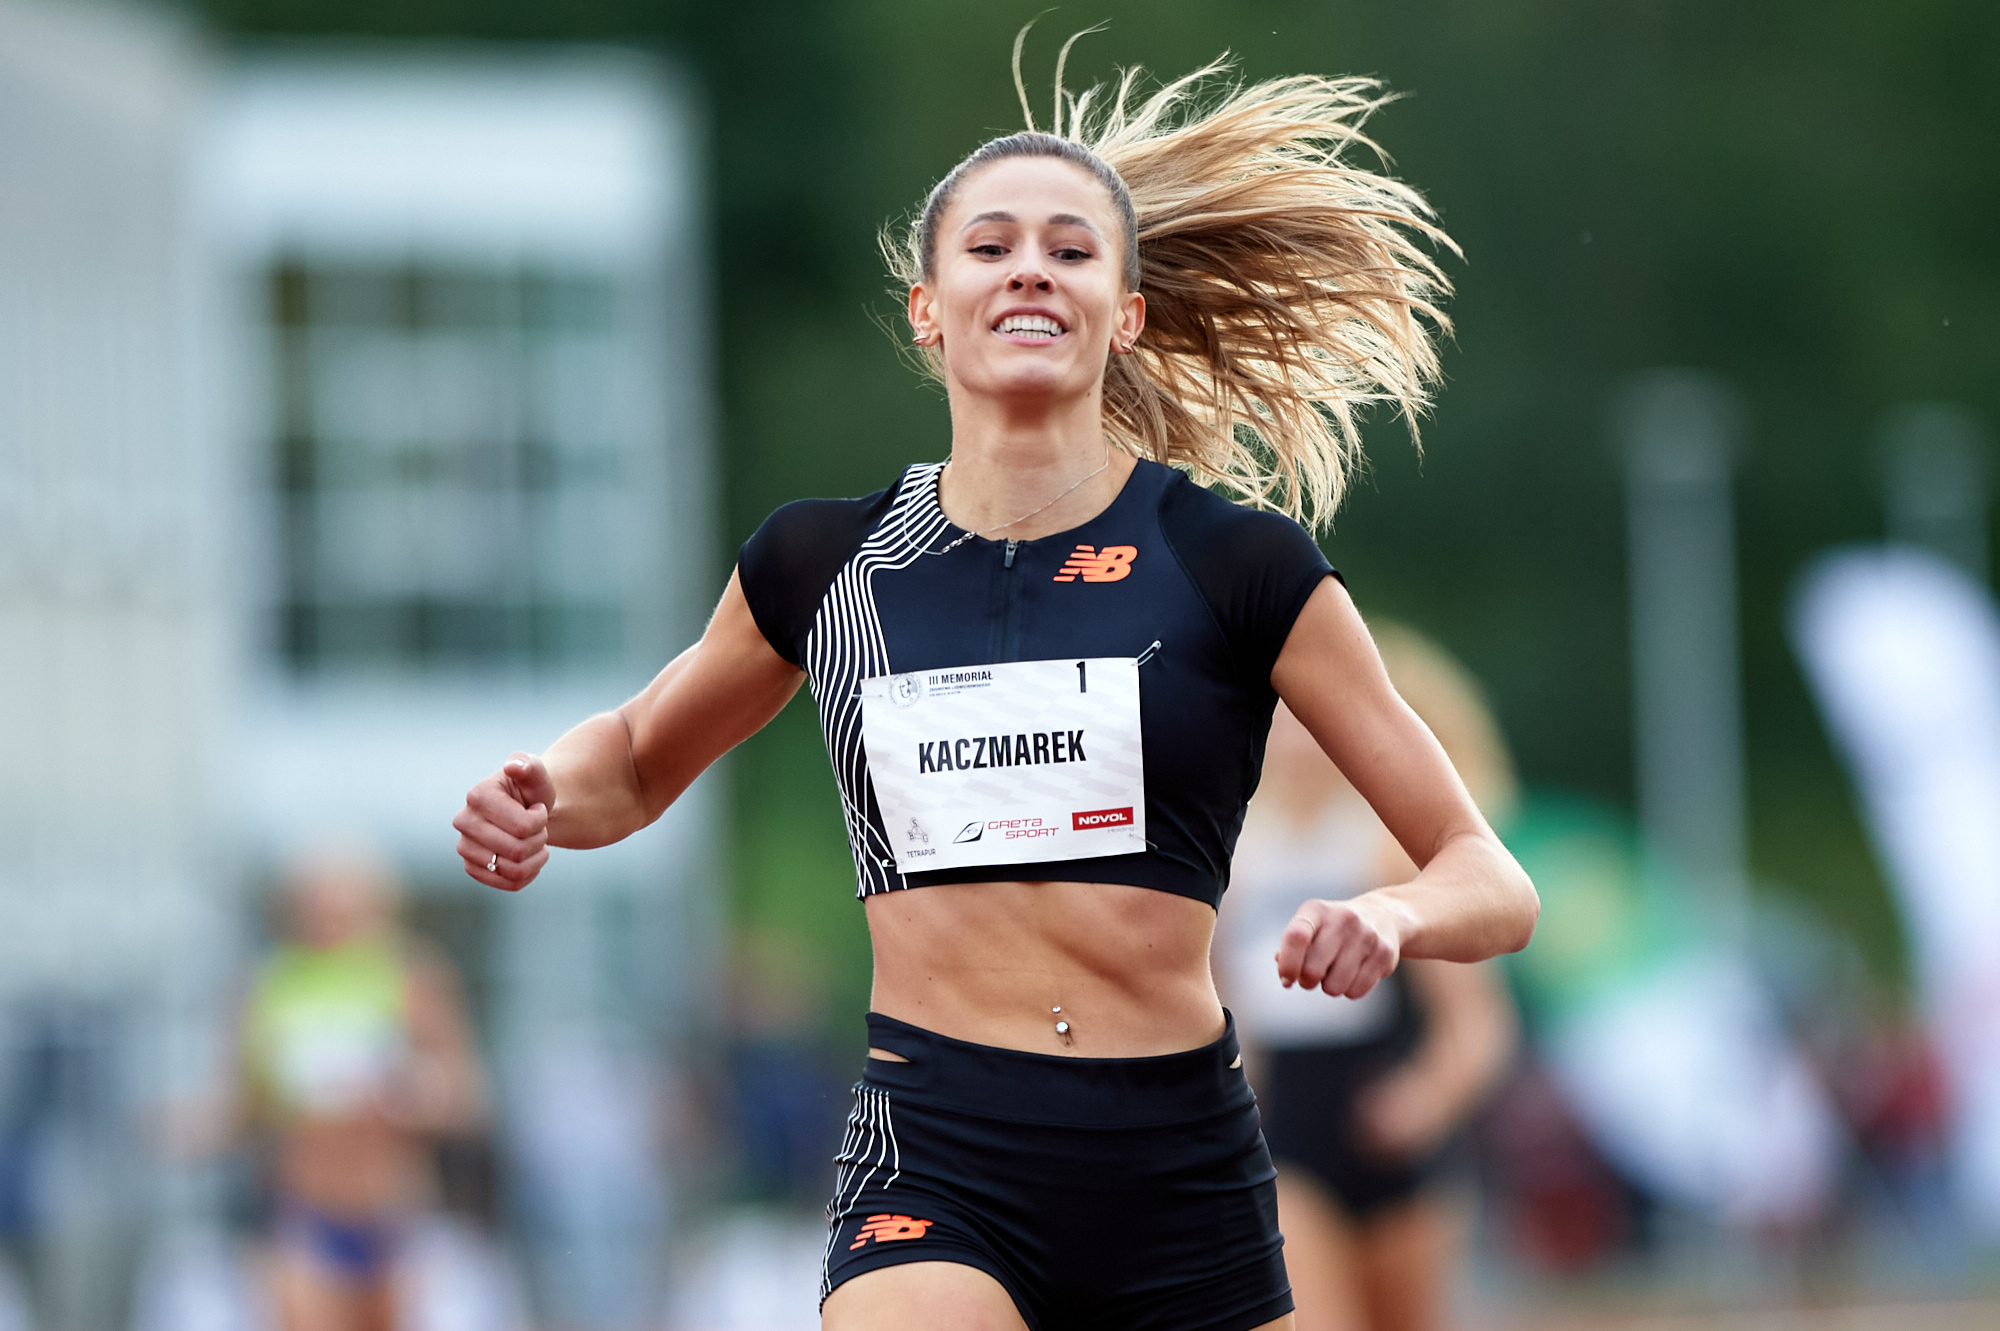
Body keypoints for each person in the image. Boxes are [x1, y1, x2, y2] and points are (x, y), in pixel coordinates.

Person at [454, 43, 1537, 1331]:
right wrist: (541, 795)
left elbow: (1490, 877)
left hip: (1173, 1156)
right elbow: (633, 761)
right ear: (928, 308)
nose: (1030, 266)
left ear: (1122, 312)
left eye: (1072, 249)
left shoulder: (1235, 562)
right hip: (936, 1138)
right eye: (991, 246)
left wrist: (1394, 919)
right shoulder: (826, 562)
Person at [1219, 626, 1522, 1331]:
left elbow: (1475, 1020)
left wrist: (1426, 1098)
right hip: (1287, 1117)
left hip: (1387, 1116)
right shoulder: (1235, 851)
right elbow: (1220, 1000)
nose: (1295, 735)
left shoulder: (1386, 851)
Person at [237, 849, 486, 1331]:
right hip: (304, 1212)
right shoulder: (268, 986)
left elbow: (465, 1096)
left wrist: (414, 1096)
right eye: (317, 907)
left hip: (394, 1215)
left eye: (345, 909)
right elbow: (244, 1104)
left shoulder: (414, 980)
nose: (331, 922)